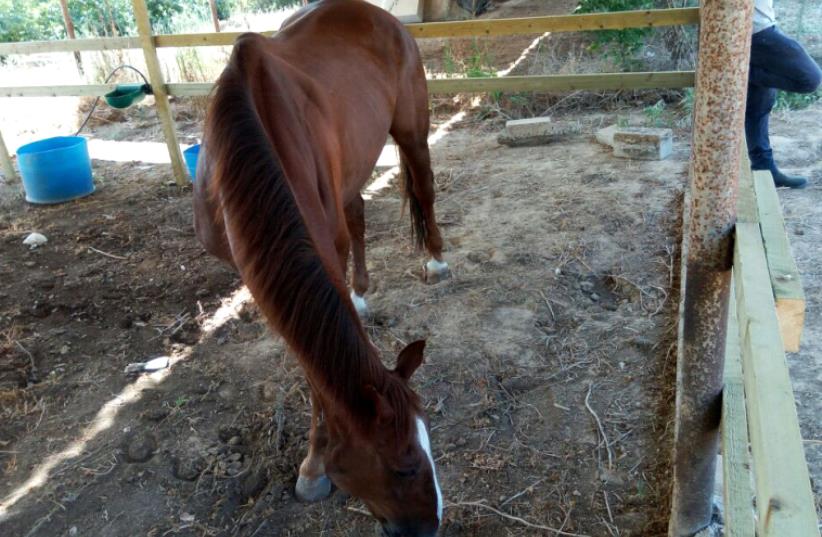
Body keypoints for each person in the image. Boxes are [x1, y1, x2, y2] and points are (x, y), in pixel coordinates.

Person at [746, 0, 821, 189]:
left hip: (756, 28)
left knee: (758, 109)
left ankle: (765, 170)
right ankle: (746, 74)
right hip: (756, 31)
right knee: (810, 78)